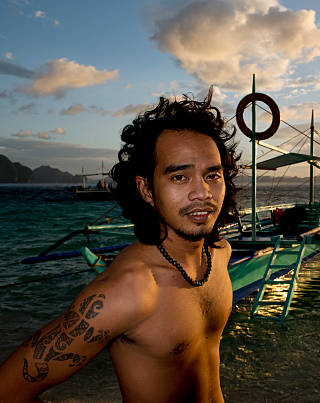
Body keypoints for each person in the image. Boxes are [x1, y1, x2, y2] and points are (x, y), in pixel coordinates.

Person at [0, 90, 239, 402]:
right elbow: (9, 388)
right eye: (180, 177)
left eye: (212, 175)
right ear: (146, 189)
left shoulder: (219, 253)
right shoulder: (129, 291)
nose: (203, 193)